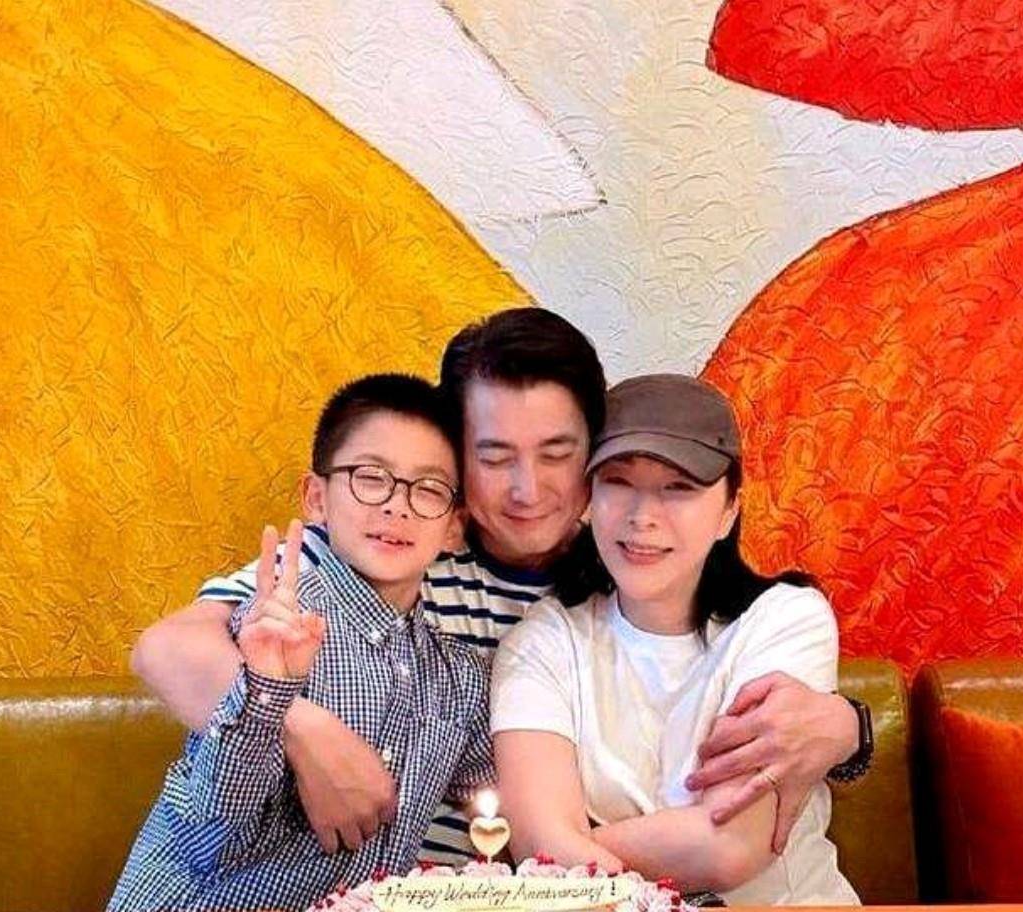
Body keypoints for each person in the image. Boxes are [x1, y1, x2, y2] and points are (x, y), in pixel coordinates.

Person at [131, 308, 867, 865]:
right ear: (456, 455)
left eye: (556, 453)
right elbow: (168, 648)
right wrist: (306, 733)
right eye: (493, 456)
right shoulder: (394, 551)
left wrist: (847, 729)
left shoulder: (632, 573)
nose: (527, 489)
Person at [110, 374, 493, 911]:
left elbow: (503, 804)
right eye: (370, 478)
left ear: (454, 528)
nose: (397, 506)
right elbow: (213, 825)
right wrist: (265, 693)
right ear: (317, 497)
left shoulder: (458, 681)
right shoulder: (275, 626)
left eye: (428, 489)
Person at [491, 374, 859, 904]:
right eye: (618, 481)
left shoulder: (784, 618)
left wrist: (573, 853)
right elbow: (538, 845)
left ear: (729, 510)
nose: (643, 517)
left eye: (679, 487)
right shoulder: (542, 642)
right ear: (588, 498)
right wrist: (553, 855)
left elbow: (730, 846)